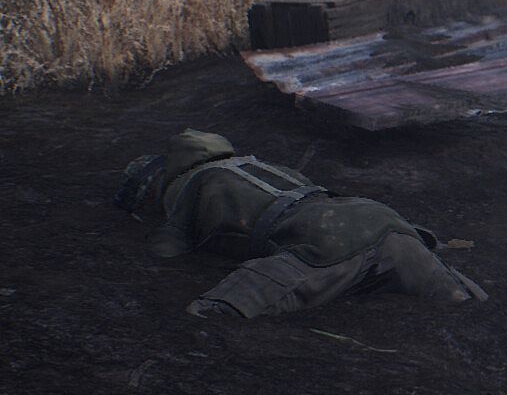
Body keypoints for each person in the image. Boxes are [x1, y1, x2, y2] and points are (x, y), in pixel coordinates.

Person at [115, 129, 485, 318]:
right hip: (379, 218)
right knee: (466, 303)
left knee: (216, 309)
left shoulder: (193, 183)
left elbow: (168, 248)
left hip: (326, 244)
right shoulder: (259, 165)